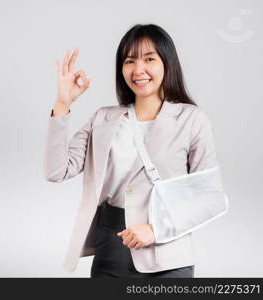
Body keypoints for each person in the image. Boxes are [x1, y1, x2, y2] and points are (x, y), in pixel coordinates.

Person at [44, 24, 220, 278]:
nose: (139, 70)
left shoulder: (192, 120)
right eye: (129, 61)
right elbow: (56, 171)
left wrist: (156, 229)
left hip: (167, 251)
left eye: (149, 59)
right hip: (111, 247)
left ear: (167, 64)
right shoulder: (103, 119)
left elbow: (209, 198)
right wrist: (62, 104)